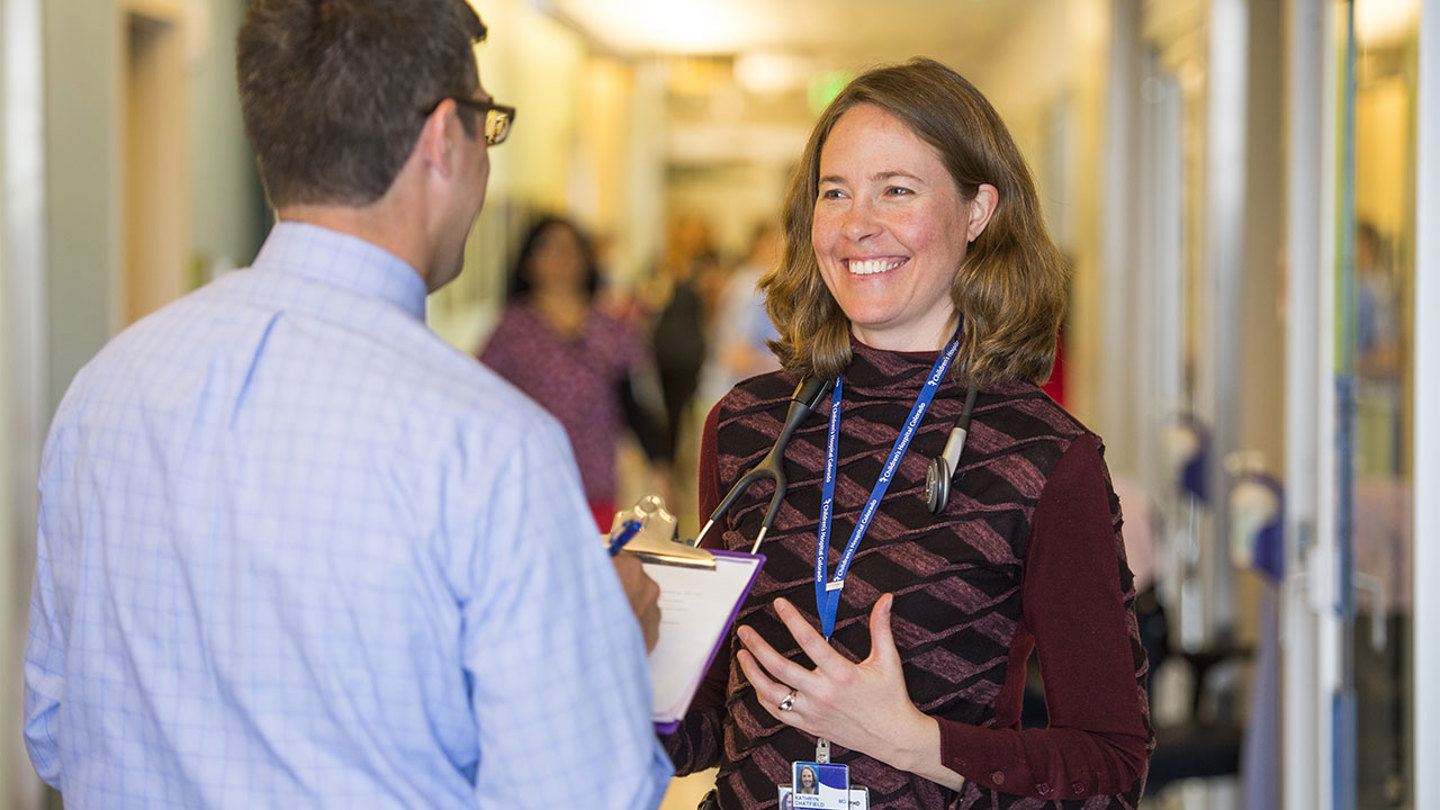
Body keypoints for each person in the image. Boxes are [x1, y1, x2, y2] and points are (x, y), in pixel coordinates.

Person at [23, 2, 671, 807]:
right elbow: (580, 794)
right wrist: (603, 644)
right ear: (443, 139)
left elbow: (54, 728)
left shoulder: (105, 390)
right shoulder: (490, 445)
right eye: (488, 130)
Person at [664, 58, 1152, 808]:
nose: (858, 223)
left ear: (978, 211)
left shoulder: (1043, 457)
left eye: (896, 189)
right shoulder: (747, 428)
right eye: (836, 193)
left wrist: (914, 742)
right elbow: (712, 722)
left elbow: (1110, 770)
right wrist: (621, 671)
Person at [480, 215, 671, 529]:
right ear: (528, 261)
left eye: (569, 249)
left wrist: (660, 463)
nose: (560, 258)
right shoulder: (512, 329)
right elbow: (488, 403)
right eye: (548, 248)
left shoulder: (610, 329)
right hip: (531, 482)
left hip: (596, 481)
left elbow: (632, 404)